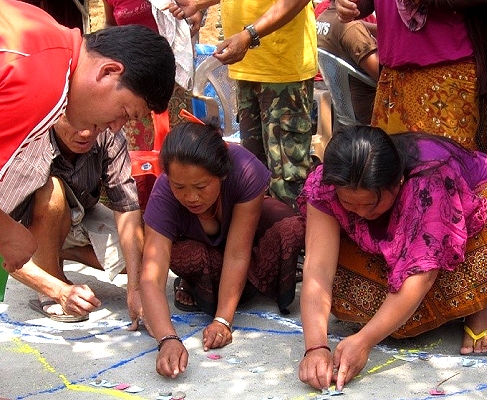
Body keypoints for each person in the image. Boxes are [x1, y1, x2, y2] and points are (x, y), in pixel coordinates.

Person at [297, 126, 487, 391]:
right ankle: (397, 317)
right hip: (396, 249)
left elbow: (422, 274)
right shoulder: (327, 185)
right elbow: (318, 269)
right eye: (349, 204)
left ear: (397, 184)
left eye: (370, 204)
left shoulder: (429, 179)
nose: (360, 213)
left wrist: (364, 341)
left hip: (458, 229)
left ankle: (478, 306)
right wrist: (315, 347)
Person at [0, 0, 176, 273]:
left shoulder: (44, 31)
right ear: (109, 71)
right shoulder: (43, 84)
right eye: (125, 112)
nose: (116, 127)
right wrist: (8, 233)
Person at [139, 120, 304, 378]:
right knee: (188, 256)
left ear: (222, 175)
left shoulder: (243, 168)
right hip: (209, 254)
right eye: (179, 187)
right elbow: (151, 275)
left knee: (290, 229)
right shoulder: (163, 194)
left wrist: (223, 320)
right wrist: (167, 338)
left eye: (201, 187)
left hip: (246, 246)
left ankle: (239, 290)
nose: (191, 197)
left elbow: (238, 253)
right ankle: (197, 284)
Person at [166, 0, 318, 209]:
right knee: (255, 175)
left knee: (287, 182)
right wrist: (197, 4)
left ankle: (295, 239)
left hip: (283, 71)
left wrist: (249, 35)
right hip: (247, 66)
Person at [8, 116, 144, 326]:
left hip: (83, 212)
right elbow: (4, 246)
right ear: (53, 117)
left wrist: (135, 289)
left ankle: (54, 251)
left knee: (140, 255)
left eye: (93, 124)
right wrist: (58, 290)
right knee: (51, 191)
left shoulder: (108, 134)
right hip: (32, 220)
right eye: (74, 122)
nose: (85, 134)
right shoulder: (32, 140)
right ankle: (50, 275)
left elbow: (126, 207)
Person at [335, 0, 487, 154]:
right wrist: (352, 4)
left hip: (448, 75)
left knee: (445, 175)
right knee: (394, 174)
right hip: (393, 75)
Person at [103, 0, 205, 151]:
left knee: (178, 144)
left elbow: (195, 5)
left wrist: (199, 11)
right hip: (133, 77)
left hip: (171, 74)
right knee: (139, 144)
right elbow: (110, 25)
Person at [316, 0, 379, 125]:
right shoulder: (351, 29)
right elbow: (385, 75)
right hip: (369, 115)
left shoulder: (322, 19)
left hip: (345, 113)